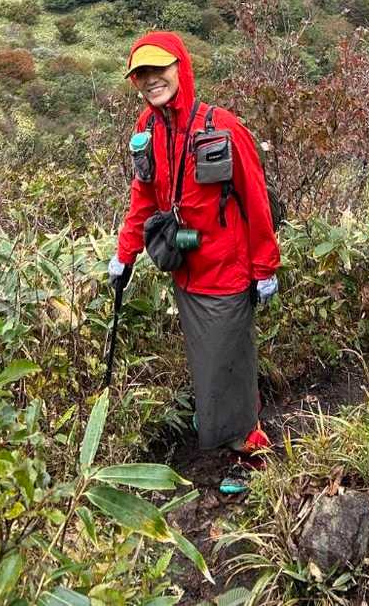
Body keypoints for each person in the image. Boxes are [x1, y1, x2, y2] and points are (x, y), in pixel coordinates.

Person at [108, 30, 280, 484]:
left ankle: (249, 447)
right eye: (141, 73)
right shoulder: (147, 130)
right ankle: (220, 422)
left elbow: (255, 200)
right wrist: (125, 254)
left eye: (159, 68)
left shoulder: (222, 127)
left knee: (229, 359)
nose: (151, 79)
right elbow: (143, 197)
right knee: (207, 357)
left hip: (227, 271)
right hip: (184, 270)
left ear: (180, 68)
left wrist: (265, 267)